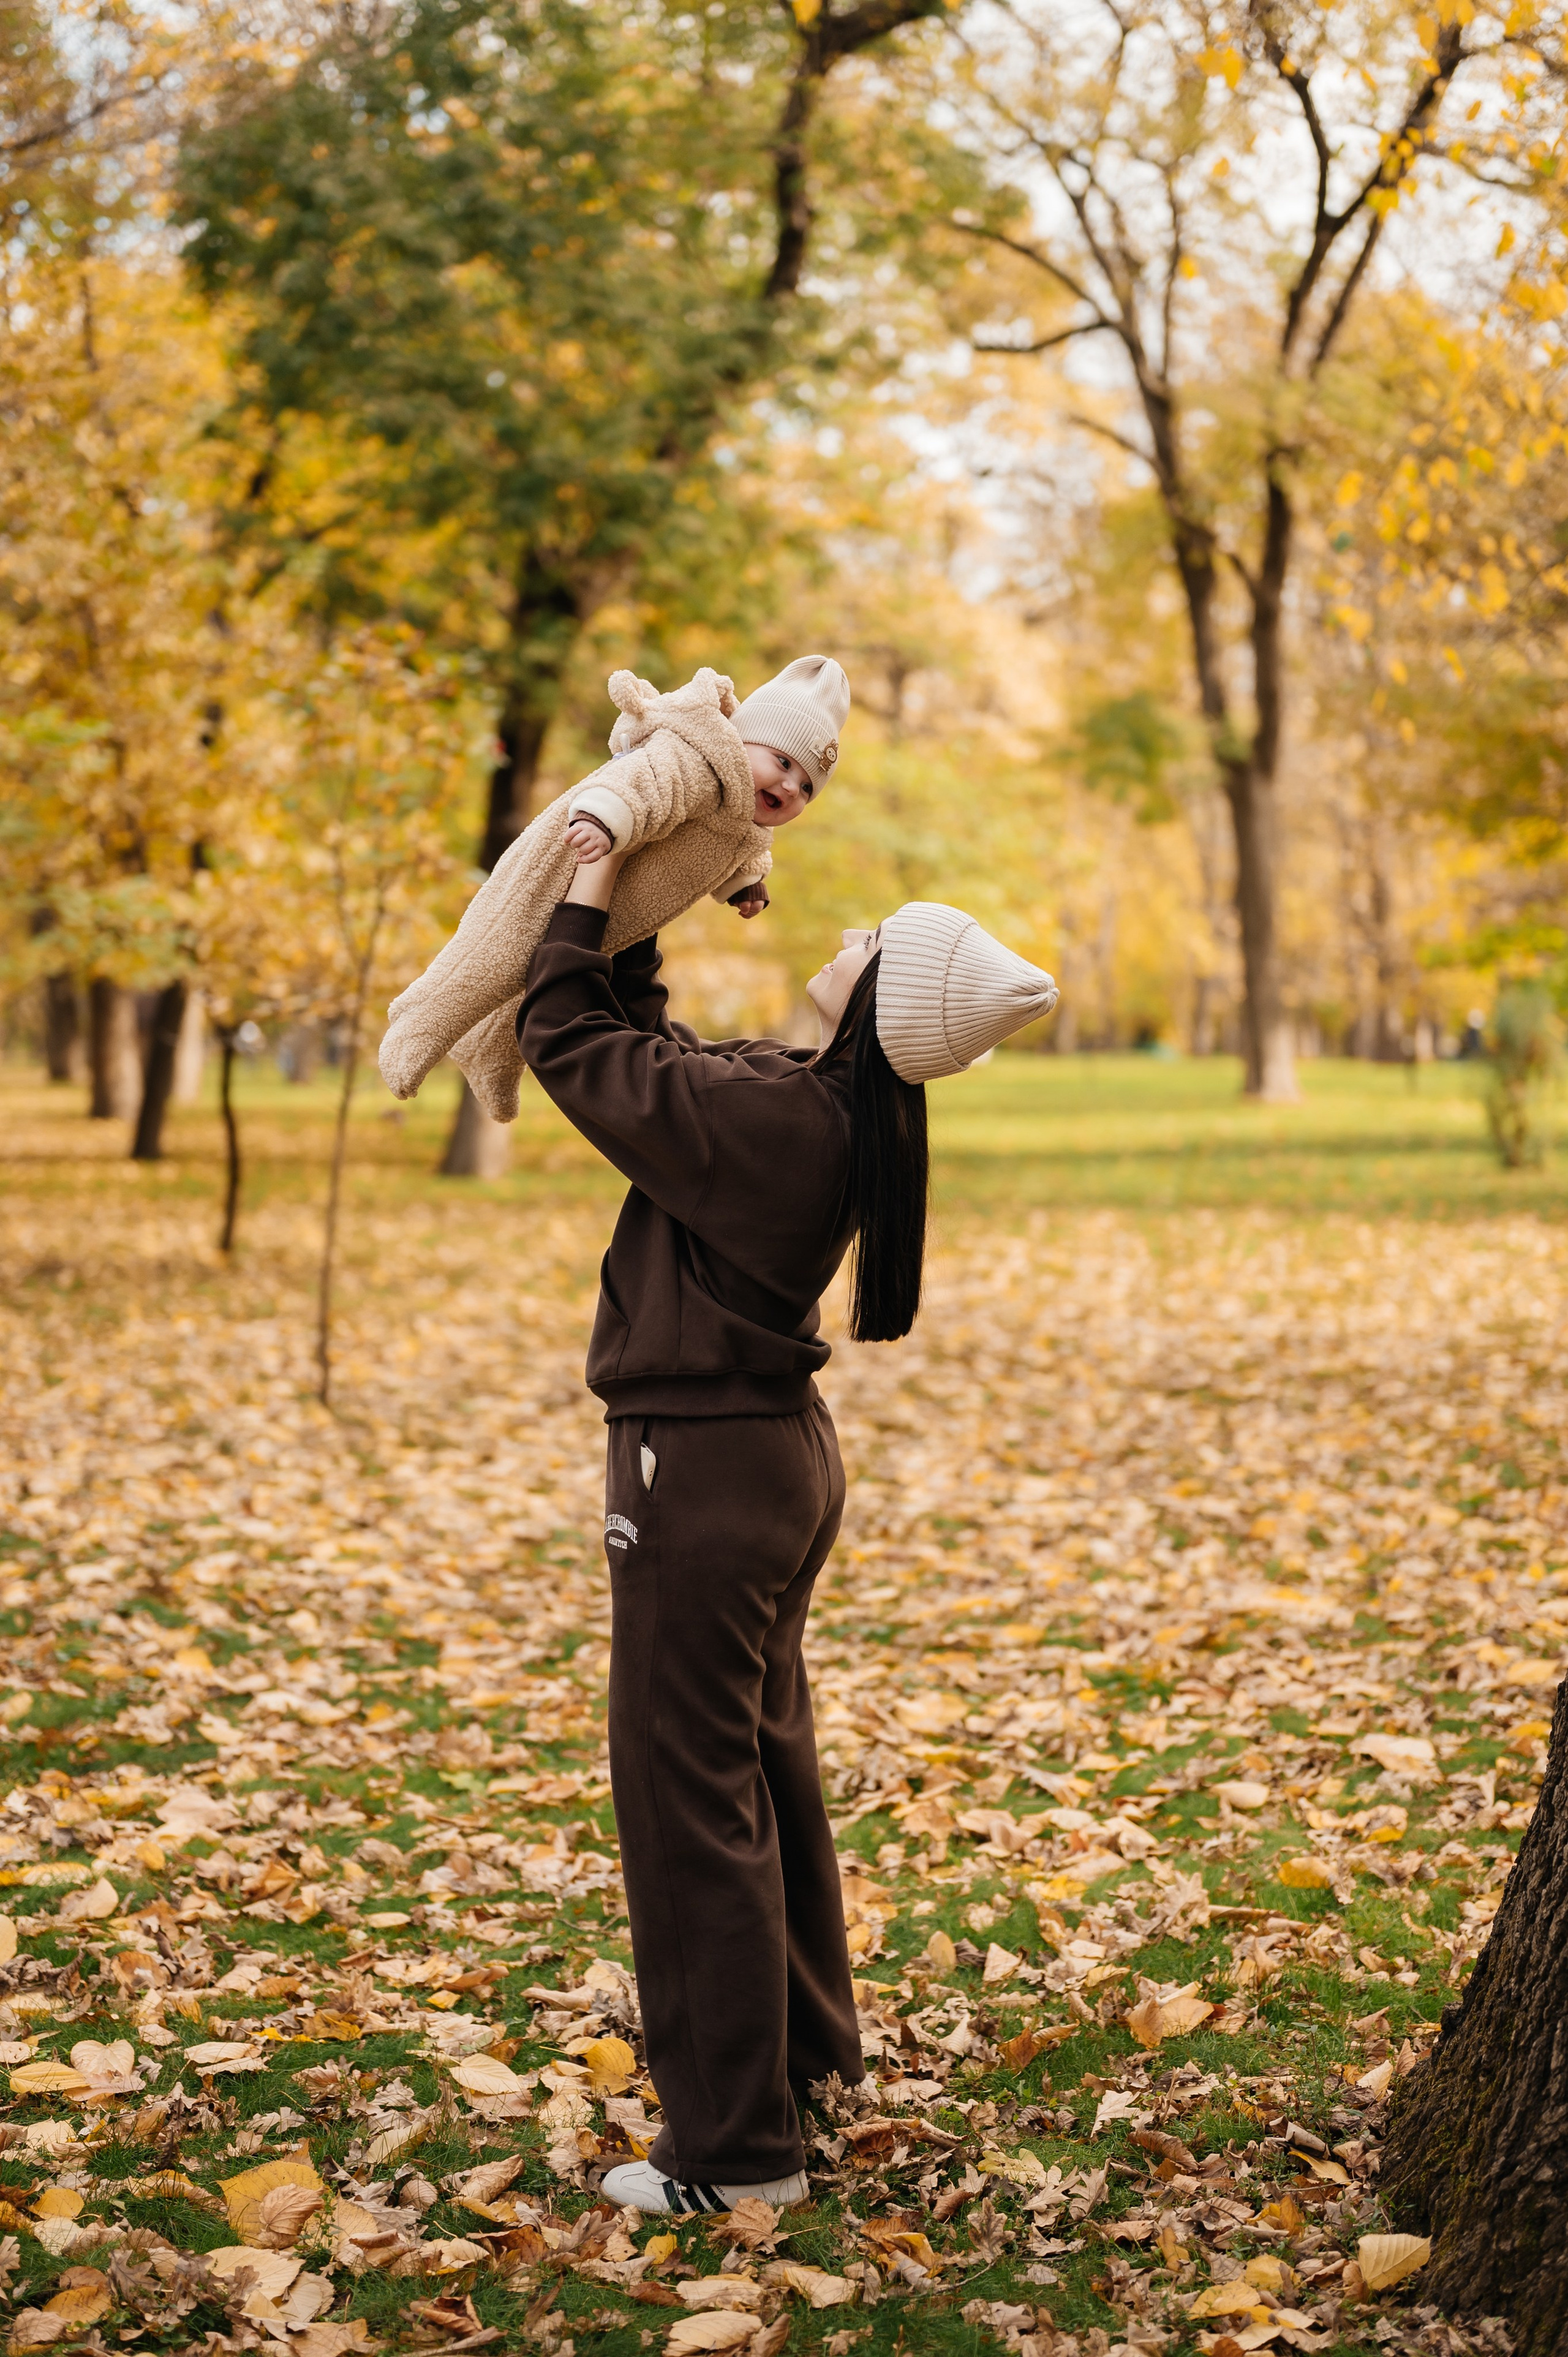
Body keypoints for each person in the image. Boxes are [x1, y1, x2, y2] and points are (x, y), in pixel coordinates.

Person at [518, 858, 1058, 2216]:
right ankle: (804, 2063)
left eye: (877, 938)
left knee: (684, 1799)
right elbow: (654, 1055)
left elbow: (571, 1043)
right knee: (758, 1772)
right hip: (766, 1460)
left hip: (698, 1473)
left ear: (880, 995)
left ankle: (733, 2157)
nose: (852, 930)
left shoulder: (778, 1122)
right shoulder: (811, 1106)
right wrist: (649, 908)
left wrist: (584, 890)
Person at [379, 655, 850, 1123]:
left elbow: (736, 854)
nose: (790, 786)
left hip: (609, 907)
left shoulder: (743, 821)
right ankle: (418, 1021)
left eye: (807, 787)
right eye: (783, 762)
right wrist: (603, 820)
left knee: (538, 981)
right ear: (743, 739)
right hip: (569, 860)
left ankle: (491, 1054)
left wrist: (746, 886)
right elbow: (643, 783)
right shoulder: (694, 761)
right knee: (497, 956)